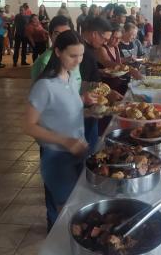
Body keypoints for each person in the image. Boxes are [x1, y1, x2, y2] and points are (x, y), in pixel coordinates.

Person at [23, 30, 98, 232]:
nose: (78, 61)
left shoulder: (70, 76)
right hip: (57, 158)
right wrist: (64, 141)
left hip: (78, 151)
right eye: (72, 56)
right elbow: (28, 125)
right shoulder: (44, 86)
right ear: (57, 52)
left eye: (81, 55)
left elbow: (64, 109)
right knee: (69, 216)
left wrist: (87, 109)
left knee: (82, 210)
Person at [81, 17, 123, 149]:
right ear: (94, 34)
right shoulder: (81, 51)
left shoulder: (89, 49)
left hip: (91, 103)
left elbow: (89, 75)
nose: (105, 43)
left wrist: (107, 90)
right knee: (87, 147)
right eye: (104, 39)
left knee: (93, 142)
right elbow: (79, 81)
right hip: (85, 106)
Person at [31, 15, 81, 88]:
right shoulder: (45, 61)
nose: (63, 38)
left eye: (66, 33)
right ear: (50, 35)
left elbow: (76, 82)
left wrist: (82, 97)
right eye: (57, 34)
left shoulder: (73, 54)